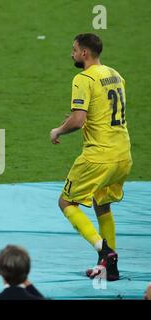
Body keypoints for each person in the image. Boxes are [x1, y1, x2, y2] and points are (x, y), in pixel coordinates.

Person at [50, 33, 132, 281]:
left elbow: (78, 120)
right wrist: (77, 117)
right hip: (123, 154)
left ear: (85, 53)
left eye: (74, 49)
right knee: (102, 203)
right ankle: (110, 268)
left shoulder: (83, 78)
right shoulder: (115, 75)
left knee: (66, 202)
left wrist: (59, 129)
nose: (72, 53)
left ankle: (104, 251)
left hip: (99, 156)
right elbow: (102, 111)